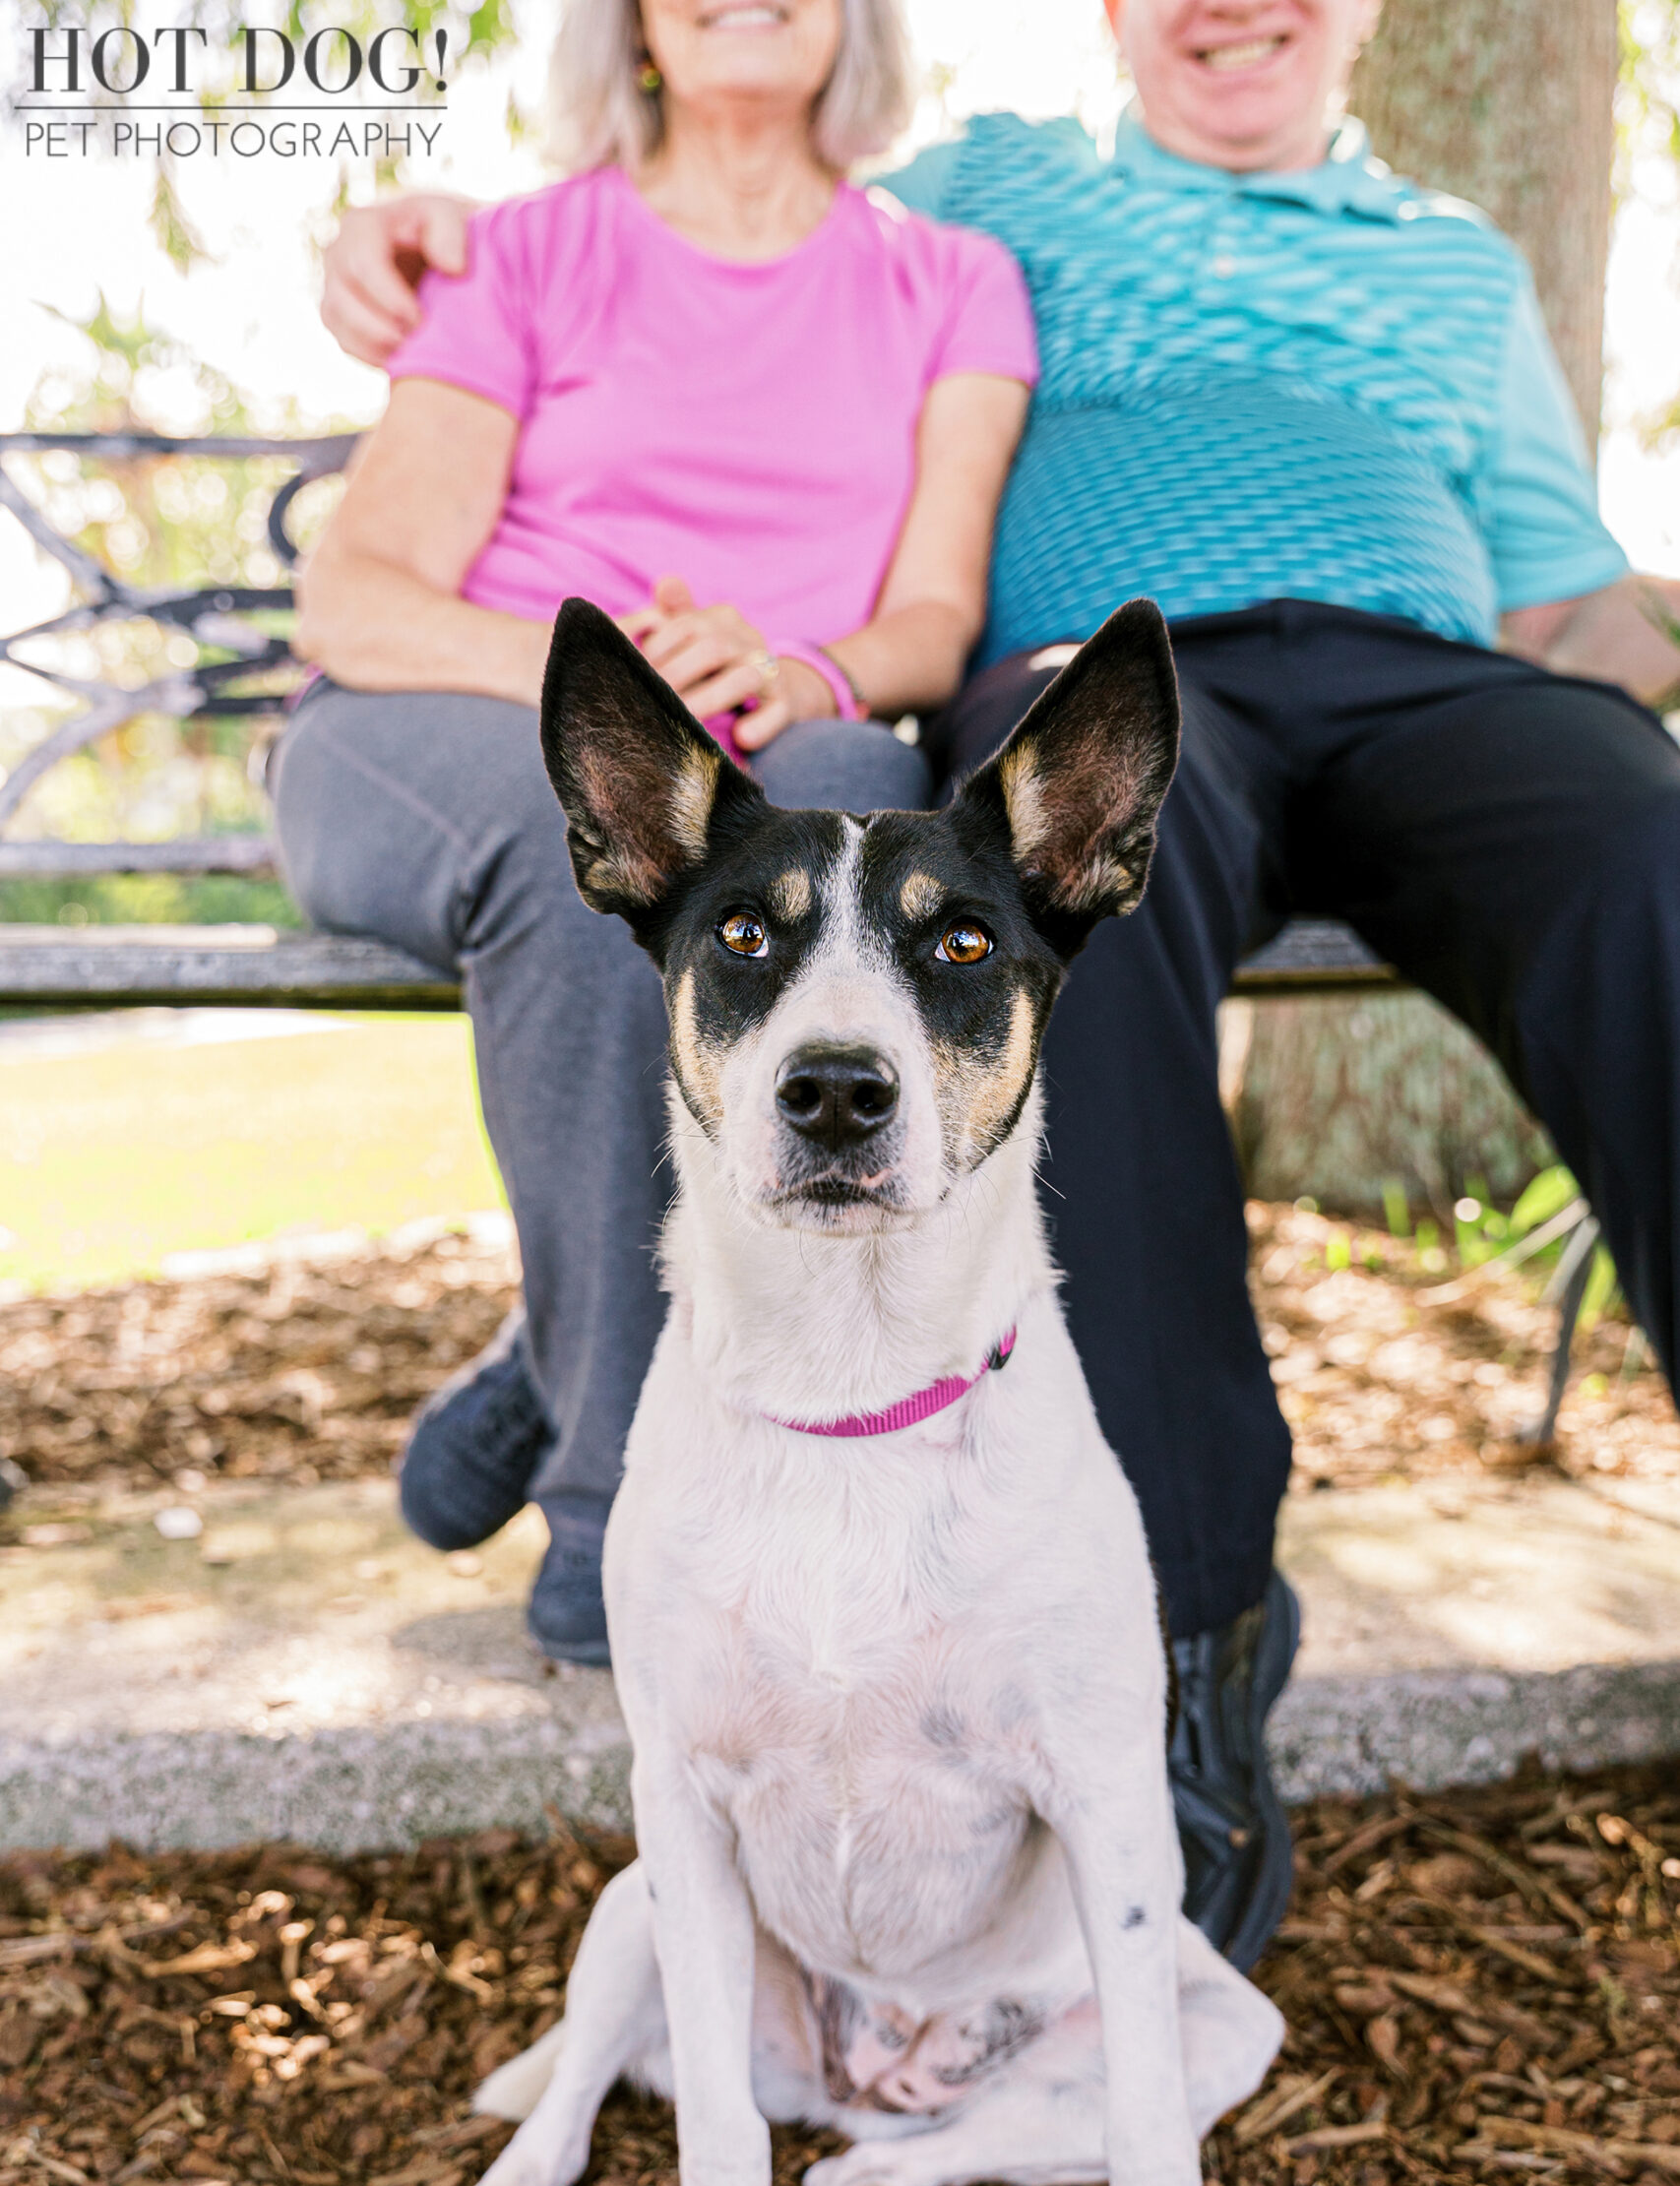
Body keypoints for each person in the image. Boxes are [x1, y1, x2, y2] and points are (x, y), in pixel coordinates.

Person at [317, 0, 1680, 1974]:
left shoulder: (1454, 268)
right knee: (1048, 929)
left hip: (1421, 675)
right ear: (1114, 14)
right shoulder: (989, 200)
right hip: (1109, 692)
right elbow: (735, 185)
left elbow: (1565, 599)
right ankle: (1183, 1643)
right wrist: (439, 218)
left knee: (1649, 843)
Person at [275, 0, 1037, 1668]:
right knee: (615, 861)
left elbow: (935, 609)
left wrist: (802, 669)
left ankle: (557, 1346)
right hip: (440, 715)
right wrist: (614, 708)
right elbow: (361, 592)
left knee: (854, 793)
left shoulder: (950, 281)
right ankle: (618, 1503)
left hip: (779, 728)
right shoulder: (525, 254)